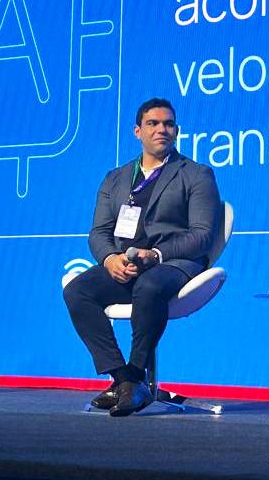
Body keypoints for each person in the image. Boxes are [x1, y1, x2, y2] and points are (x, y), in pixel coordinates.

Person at [62, 97, 222, 416]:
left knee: (149, 286)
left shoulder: (197, 174)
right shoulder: (116, 178)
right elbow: (99, 232)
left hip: (173, 264)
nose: (162, 129)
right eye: (153, 123)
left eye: (168, 124)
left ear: (176, 131)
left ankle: (135, 375)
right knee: (77, 291)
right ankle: (124, 379)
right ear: (138, 131)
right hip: (125, 264)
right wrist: (109, 259)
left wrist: (157, 254)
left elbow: (202, 234)